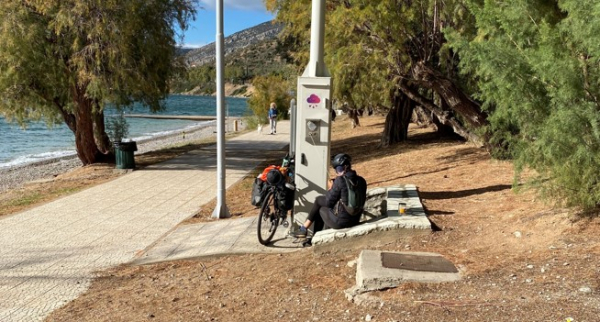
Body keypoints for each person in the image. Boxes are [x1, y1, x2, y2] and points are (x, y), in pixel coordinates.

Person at [294, 153, 362, 246]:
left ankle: (306, 231)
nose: (338, 172)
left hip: (342, 223)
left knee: (319, 204)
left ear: (345, 167)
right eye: (337, 170)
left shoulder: (340, 180)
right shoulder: (361, 180)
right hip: (356, 219)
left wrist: (331, 188)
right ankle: (307, 232)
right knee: (324, 208)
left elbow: (329, 202)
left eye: (339, 169)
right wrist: (336, 187)